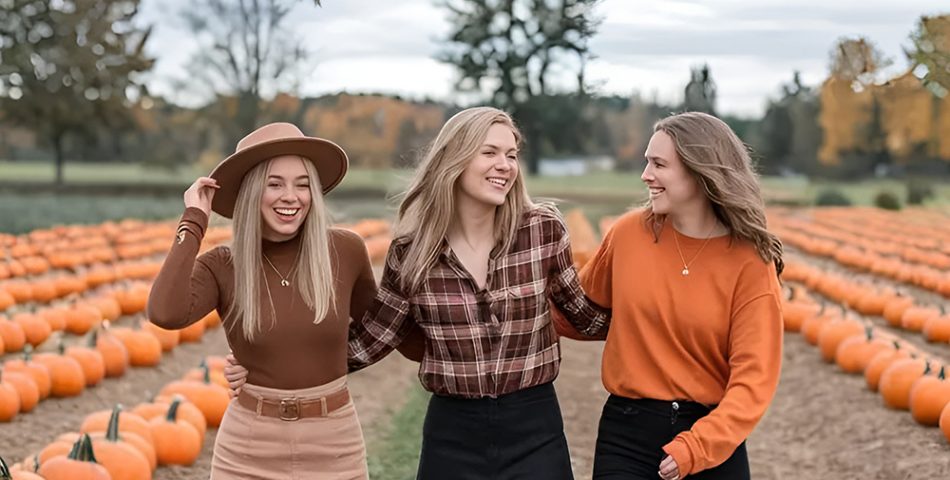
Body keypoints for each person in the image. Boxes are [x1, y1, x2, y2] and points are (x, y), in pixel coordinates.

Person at [227, 106, 611, 479]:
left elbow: (584, 315)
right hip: (454, 433)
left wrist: (656, 307)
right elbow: (368, 342)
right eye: (490, 152)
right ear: (455, 159)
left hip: (534, 425)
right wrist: (268, 364)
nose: (505, 165)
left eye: (511, 155)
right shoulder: (413, 252)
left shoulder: (542, 230)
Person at [556, 111, 784, 480]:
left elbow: (754, 381)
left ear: (700, 172)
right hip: (626, 436)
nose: (646, 175)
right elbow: (576, 312)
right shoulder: (628, 235)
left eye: (659, 164)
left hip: (712, 442)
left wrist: (697, 447)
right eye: (647, 162)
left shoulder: (749, 262)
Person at [147, 122, 380, 479]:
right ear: (251, 192)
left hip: (333, 443)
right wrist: (194, 220)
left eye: (303, 185)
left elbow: (380, 330)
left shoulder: (345, 251)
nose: (291, 196)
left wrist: (313, 362)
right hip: (248, 447)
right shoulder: (223, 265)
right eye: (275, 184)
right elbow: (165, 312)